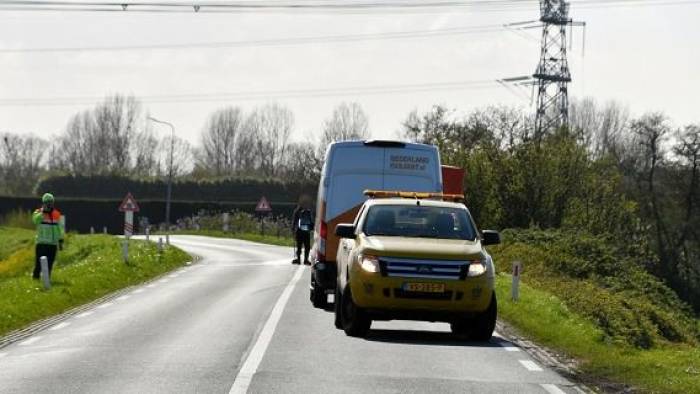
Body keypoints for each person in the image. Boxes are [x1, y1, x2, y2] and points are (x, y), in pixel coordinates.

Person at [32, 193, 64, 280]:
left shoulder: (56, 214)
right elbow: (35, 221)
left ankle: (47, 280)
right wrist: (43, 212)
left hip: (52, 244)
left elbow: (59, 229)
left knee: (50, 264)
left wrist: (60, 241)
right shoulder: (38, 212)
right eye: (47, 202)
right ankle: (35, 279)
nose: (49, 204)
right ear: (43, 203)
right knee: (38, 264)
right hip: (41, 243)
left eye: (51, 202)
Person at [291, 197, 314, 265]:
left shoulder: (297, 211)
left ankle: (298, 259)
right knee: (307, 247)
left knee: (299, 246)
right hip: (306, 232)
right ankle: (306, 260)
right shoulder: (308, 211)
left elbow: (294, 221)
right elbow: (311, 221)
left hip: (299, 231)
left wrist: (293, 229)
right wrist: (312, 228)